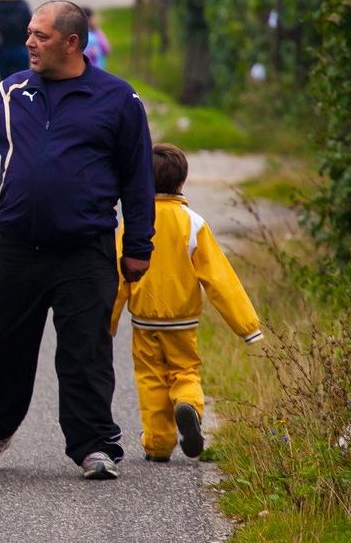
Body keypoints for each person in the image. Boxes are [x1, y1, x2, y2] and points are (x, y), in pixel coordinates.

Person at [0, 0, 155, 480]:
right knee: (3, 345)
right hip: (18, 246)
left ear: (72, 43)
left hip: (85, 249)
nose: (29, 41)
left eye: (40, 35)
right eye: (29, 32)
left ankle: (94, 445)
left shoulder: (118, 99)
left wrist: (138, 245)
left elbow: (138, 179)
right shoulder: (13, 91)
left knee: (84, 349)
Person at [110, 144, 262, 462]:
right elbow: (220, 279)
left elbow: (118, 281)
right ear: (181, 182)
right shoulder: (193, 224)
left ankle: (159, 442)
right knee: (184, 370)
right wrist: (247, 327)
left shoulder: (132, 226)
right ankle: (188, 404)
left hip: (144, 321)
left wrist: (105, 326)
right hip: (182, 321)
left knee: (150, 379)